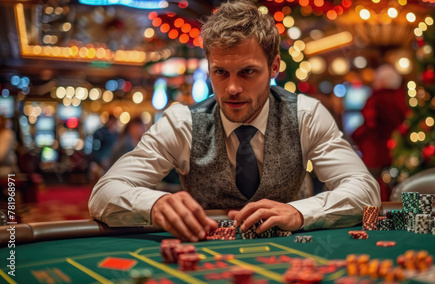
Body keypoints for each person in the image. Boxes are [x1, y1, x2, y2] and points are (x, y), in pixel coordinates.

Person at [89, 0, 380, 242]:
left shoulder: (306, 114)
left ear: (274, 66)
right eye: (220, 73)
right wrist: (154, 203)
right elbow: (104, 193)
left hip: (292, 252)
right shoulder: (182, 123)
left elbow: (365, 189)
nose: (231, 88)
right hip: (205, 256)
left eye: (247, 72)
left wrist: (301, 213)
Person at [352, 65, 409, 200]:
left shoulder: (376, 99)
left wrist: (356, 136)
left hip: (376, 154)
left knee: (373, 191)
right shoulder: (401, 97)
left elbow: (370, 125)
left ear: (381, 81)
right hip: (398, 152)